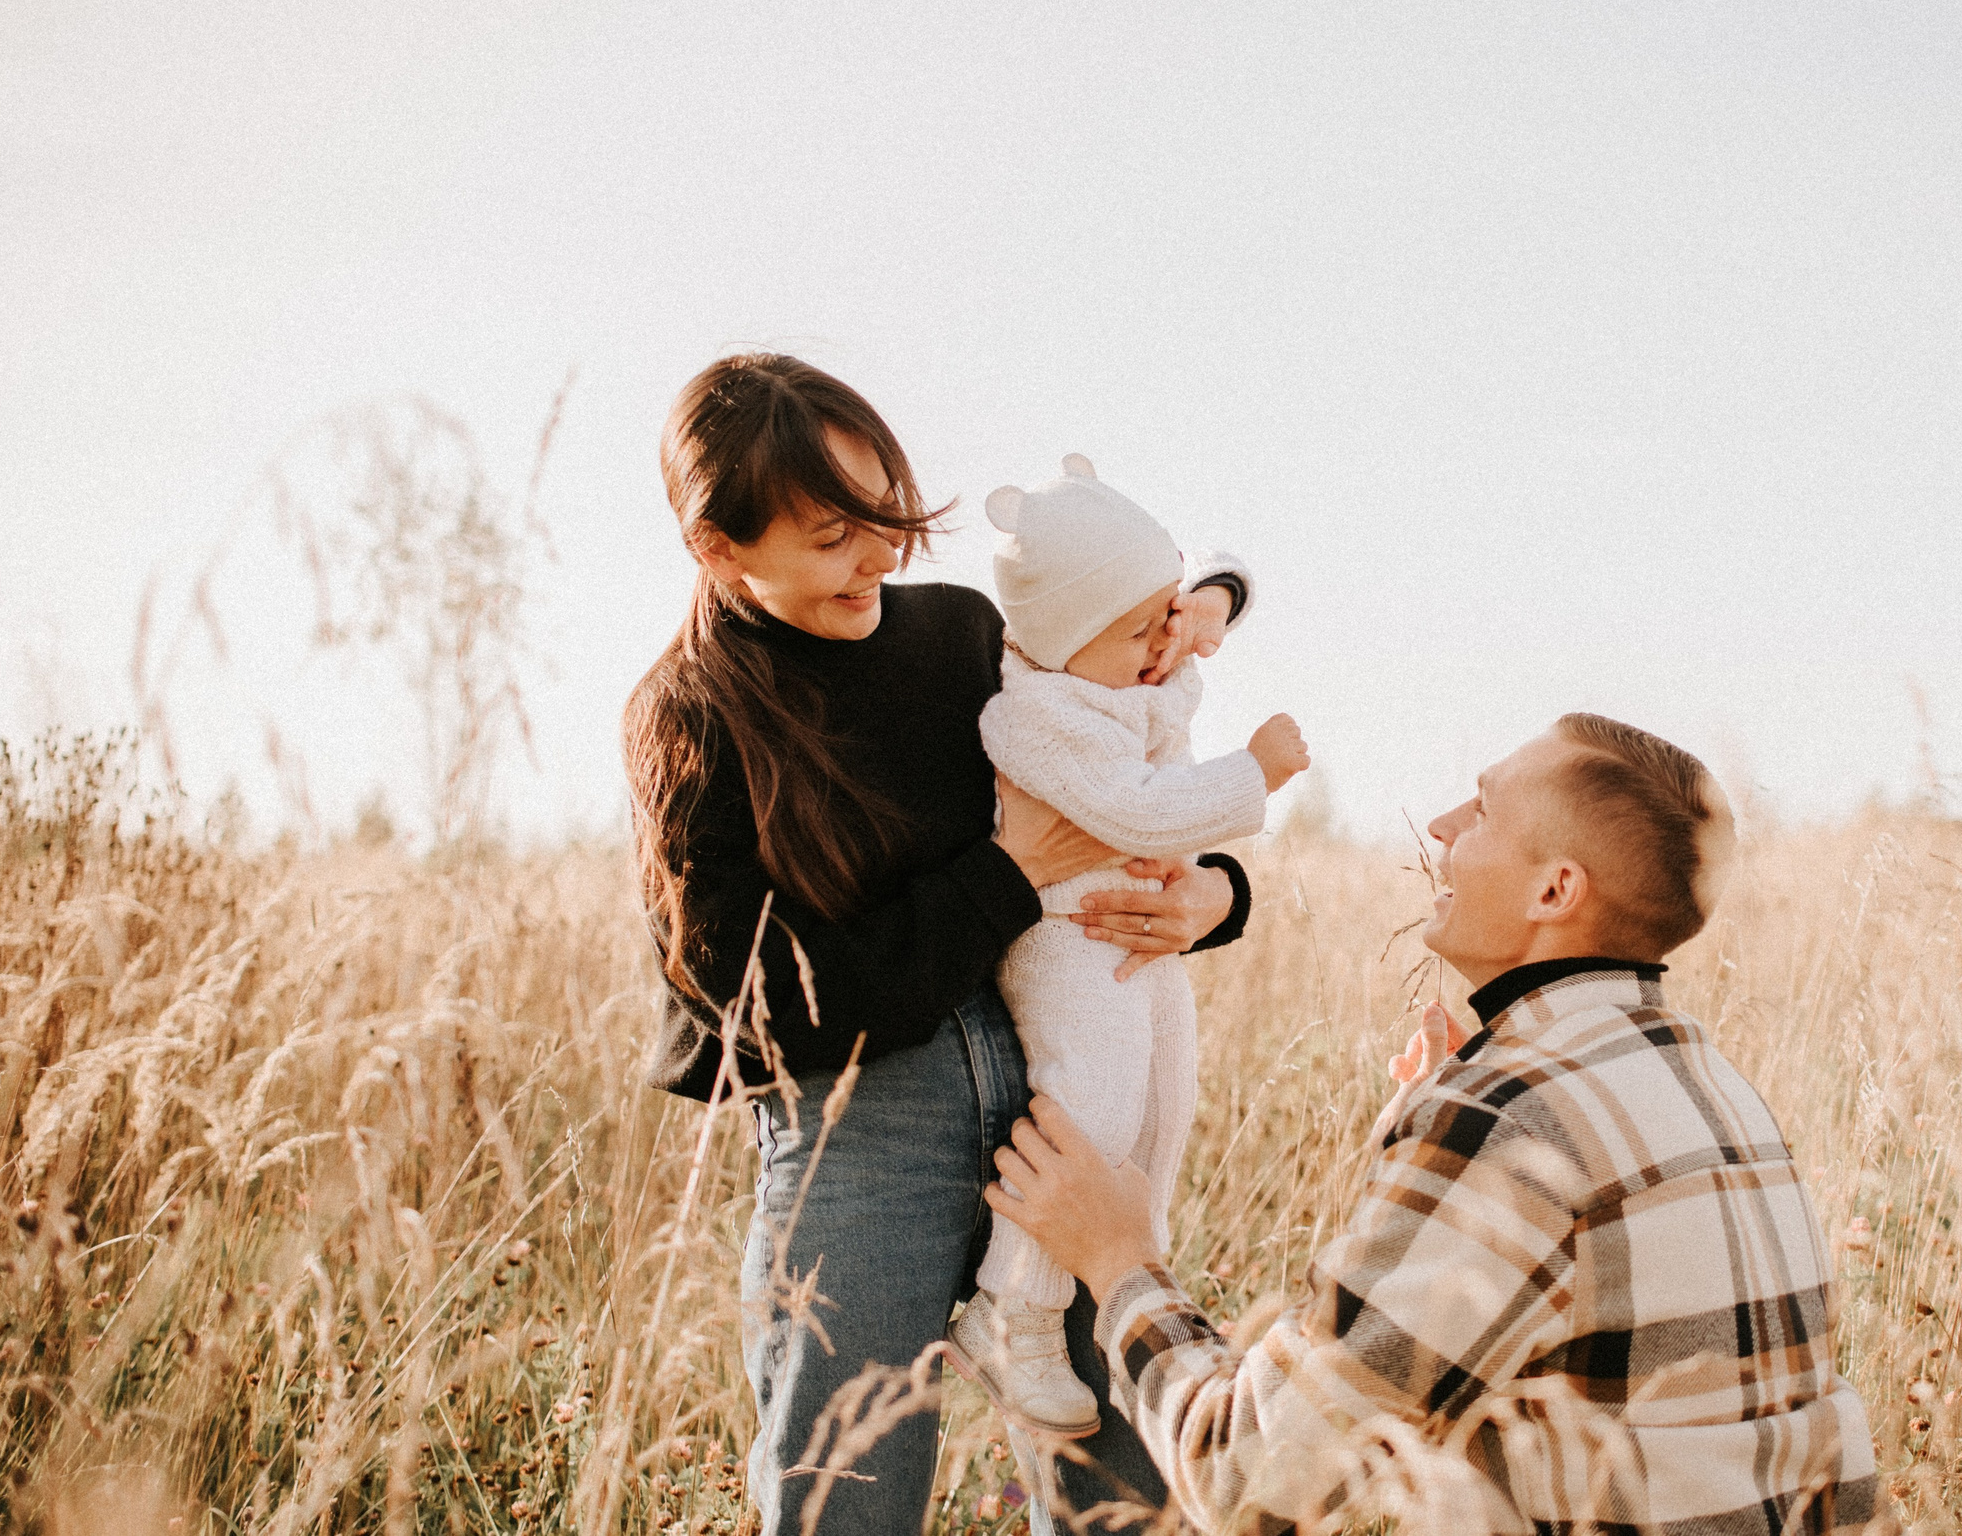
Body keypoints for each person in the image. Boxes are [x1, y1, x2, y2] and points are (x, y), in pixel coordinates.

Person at [621, 354, 1259, 1534]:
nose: (878, 555)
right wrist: (1008, 875)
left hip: (1060, 1091)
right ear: (719, 547)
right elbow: (758, 1001)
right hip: (860, 1137)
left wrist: (1214, 896)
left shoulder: (962, 635)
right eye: (829, 536)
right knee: (845, 1503)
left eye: (883, 517)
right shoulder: (694, 716)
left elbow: (1120, 764)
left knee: (1122, 1480)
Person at [986, 714, 1885, 1534]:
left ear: (1556, 889)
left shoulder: (1512, 1115)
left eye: (1483, 810)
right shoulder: (1715, 1086)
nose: (1443, 827)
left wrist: (1118, 1260)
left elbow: (1255, 1477)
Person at [947, 455, 1312, 1437]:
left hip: (1136, 931)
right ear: (1070, 635)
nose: (1164, 645)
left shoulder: (1110, 662)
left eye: (1166, 617)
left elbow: (1204, 594)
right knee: (1093, 1099)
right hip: (1068, 936)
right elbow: (1137, 809)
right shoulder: (1035, 712)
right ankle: (1013, 1309)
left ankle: (1129, 1280)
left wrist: (1204, 606)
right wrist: (1254, 775)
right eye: (1142, 628)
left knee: (1166, 1091)